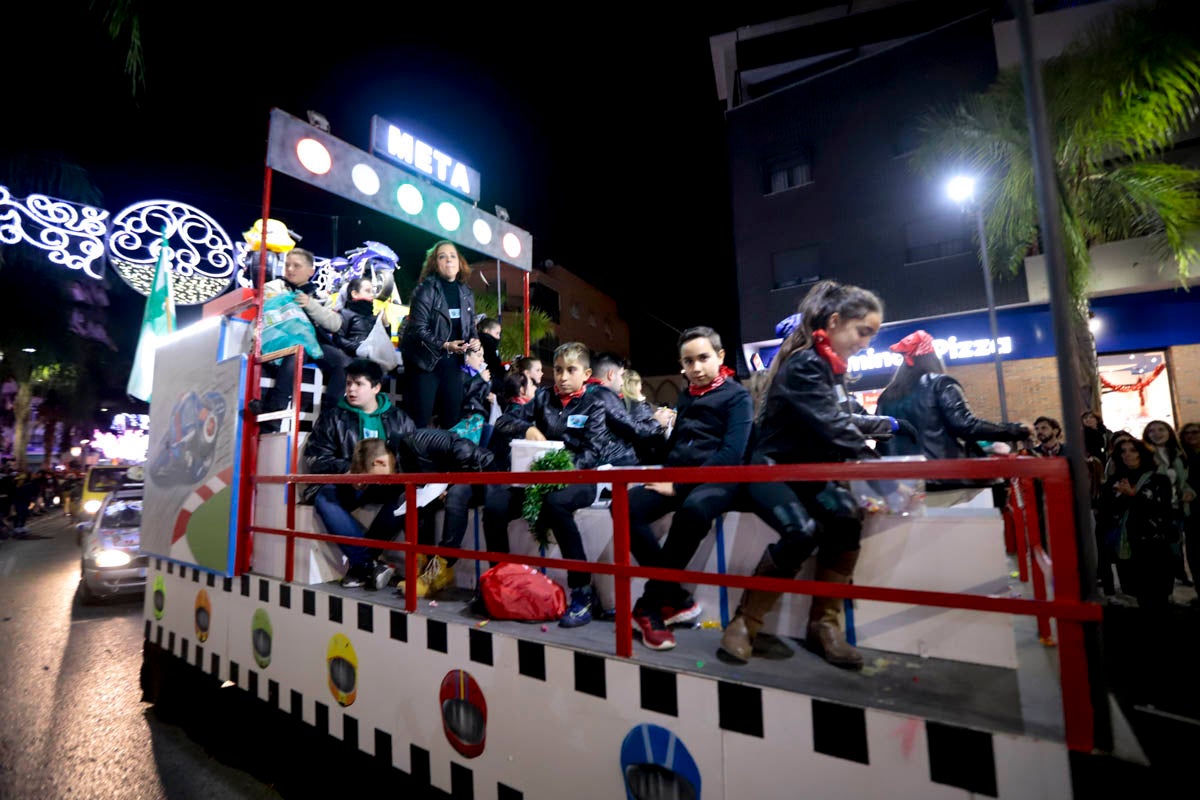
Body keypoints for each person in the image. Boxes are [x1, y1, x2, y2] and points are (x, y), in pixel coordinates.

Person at [719, 280, 898, 669]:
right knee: (801, 531)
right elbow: (834, 426)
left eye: (872, 334)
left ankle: (824, 627)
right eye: (862, 331)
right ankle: (745, 623)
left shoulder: (831, 367)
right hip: (772, 468)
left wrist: (884, 429)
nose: (866, 342)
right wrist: (882, 473)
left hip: (808, 470)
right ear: (834, 322)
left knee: (846, 518)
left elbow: (838, 422)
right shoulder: (806, 364)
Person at [620, 327, 753, 650]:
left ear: (720, 357)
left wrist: (677, 485)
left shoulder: (738, 397)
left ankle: (648, 605)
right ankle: (674, 595)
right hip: (677, 475)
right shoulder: (686, 395)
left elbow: (730, 455)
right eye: (688, 361)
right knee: (623, 505)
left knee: (692, 511)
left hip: (717, 480)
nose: (695, 368)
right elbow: (677, 446)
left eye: (703, 358)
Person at [482, 342, 619, 628]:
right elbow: (505, 421)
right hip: (537, 479)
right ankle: (501, 579)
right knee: (494, 505)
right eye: (558, 370)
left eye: (571, 370)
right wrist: (527, 428)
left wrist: (559, 463)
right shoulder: (542, 398)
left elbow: (591, 454)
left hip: (580, 480)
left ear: (586, 374)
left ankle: (581, 591)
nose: (563, 377)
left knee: (556, 504)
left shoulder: (595, 404)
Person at [305, 359, 416, 588]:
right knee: (325, 497)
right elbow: (316, 457)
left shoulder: (400, 419)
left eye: (358, 384)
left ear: (376, 387)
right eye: (348, 383)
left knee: (408, 498)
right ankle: (368, 564)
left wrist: (392, 474)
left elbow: (413, 458)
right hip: (349, 485)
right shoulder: (333, 417)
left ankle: (362, 566)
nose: (351, 389)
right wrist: (349, 471)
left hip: (388, 487)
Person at [876, 329, 1029, 497]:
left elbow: (881, 439)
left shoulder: (886, 396)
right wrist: (1017, 430)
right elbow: (966, 425)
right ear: (932, 357)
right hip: (945, 484)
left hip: (901, 488)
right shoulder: (940, 384)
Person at [260, 248, 348, 428]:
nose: (290, 269)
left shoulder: (320, 295)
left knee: (343, 361)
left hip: (315, 344)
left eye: (296, 266)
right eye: (287, 265)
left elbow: (335, 324)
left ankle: (330, 415)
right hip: (284, 341)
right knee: (296, 353)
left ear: (310, 271)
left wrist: (310, 305)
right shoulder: (274, 287)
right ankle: (274, 414)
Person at [401, 241, 479, 428]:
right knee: (419, 421)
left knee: (451, 421)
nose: (449, 260)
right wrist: (445, 345)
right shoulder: (426, 290)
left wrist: (474, 339)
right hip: (426, 364)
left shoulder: (466, 292)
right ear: (435, 264)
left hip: (453, 365)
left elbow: (471, 326)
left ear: (460, 262)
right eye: (442, 256)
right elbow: (418, 329)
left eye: (453, 256)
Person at [1098, 437, 1176, 609]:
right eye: (1123, 451)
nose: (1128, 455)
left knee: (1158, 593)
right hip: (1127, 544)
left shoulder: (1158, 479)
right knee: (1137, 593)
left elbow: (1161, 509)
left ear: (1142, 454)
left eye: (1133, 450)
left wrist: (1133, 496)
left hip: (1154, 544)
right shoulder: (1114, 481)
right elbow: (1106, 511)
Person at [587, 351, 672, 468]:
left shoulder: (587, 392)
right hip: (614, 464)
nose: (622, 382)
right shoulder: (602, 393)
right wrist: (657, 422)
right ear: (611, 374)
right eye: (621, 376)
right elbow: (632, 428)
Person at [1142, 419, 1194, 586]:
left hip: (1177, 506)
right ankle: (1171, 579)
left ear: (1169, 432)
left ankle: (1179, 574)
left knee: (1176, 544)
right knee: (1168, 547)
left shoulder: (1177, 454)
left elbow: (1183, 480)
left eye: (1160, 429)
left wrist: (1188, 491)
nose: (1156, 433)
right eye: (1152, 431)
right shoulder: (1145, 455)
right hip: (1156, 509)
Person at [449, 347, 494, 445]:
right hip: (462, 421)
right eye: (478, 356)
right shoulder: (459, 374)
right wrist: (480, 379)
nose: (482, 360)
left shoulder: (475, 375)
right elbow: (465, 394)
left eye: (482, 356)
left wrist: (487, 384)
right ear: (466, 357)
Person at [330, 276, 380, 359]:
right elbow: (338, 340)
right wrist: (359, 348)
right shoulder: (344, 313)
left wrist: (386, 325)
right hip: (350, 360)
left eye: (373, 292)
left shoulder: (373, 317)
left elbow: (383, 340)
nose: (372, 295)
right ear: (354, 294)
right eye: (367, 291)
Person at [1179, 422, 1200, 595]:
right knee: (1194, 552)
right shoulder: (1182, 457)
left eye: (1195, 432)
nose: (1191, 436)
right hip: (1190, 509)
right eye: (1187, 433)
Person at [477, 317, 505, 397]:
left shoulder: (489, 345)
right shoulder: (489, 346)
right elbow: (494, 366)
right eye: (496, 333)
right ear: (486, 331)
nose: (499, 337)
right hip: (490, 385)